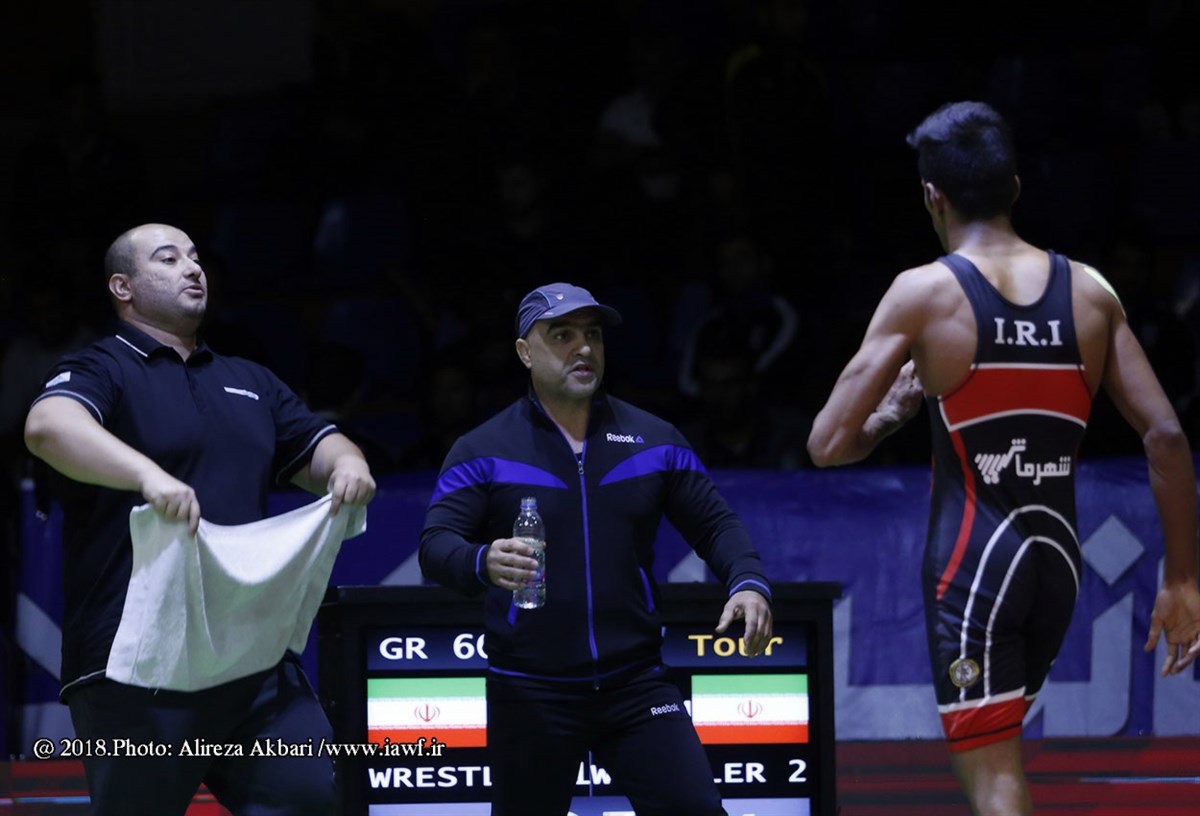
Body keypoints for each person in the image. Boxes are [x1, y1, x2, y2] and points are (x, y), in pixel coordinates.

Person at [806, 101, 1200, 816]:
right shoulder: (1091, 292)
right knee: (999, 763)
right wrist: (1182, 580)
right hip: (1056, 566)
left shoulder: (924, 293)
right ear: (1015, 187)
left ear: (933, 197)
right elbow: (1167, 436)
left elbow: (828, 444)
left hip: (976, 568)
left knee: (992, 780)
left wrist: (890, 417)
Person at [23, 223, 376, 816]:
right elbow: (47, 426)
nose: (192, 268)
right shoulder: (101, 366)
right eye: (168, 259)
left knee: (312, 800)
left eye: (194, 257)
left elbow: (322, 446)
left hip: (251, 656)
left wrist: (348, 466)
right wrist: (147, 475)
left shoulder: (248, 379)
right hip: (135, 658)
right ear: (123, 287)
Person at [419, 282, 773, 816]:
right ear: (524, 352)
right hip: (530, 690)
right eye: (562, 335)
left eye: (593, 335)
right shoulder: (482, 449)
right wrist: (481, 560)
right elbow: (435, 544)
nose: (583, 347)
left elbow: (716, 524)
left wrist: (748, 582)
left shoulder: (655, 440)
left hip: (636, 685)